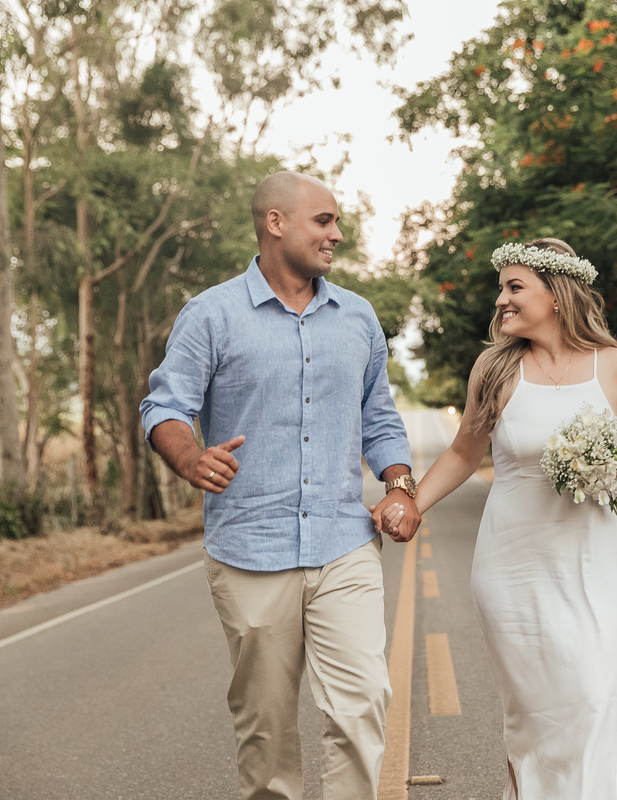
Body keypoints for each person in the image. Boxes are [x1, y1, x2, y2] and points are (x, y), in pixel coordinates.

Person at [139, 171, 420, 800]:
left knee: (362, 704)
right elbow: (165, 407)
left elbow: (378, 416)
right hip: (249, 547)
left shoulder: (357, 317)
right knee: (266, 733)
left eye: (336, 222)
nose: (337, 234)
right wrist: (190, 459)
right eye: (323, 221)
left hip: (343, 541)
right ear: (275, 223)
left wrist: (400, 485)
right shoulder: (210, 315)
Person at [380, 238, 617, 799]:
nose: (500, 301)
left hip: (590, 561)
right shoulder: (497, 370)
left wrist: (612, 465)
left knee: (592, 695)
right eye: (500, 289)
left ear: (556, 294)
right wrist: (411, 503)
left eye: (514, 287)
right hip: (513, 565)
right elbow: (462, 452)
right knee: (535, 712)